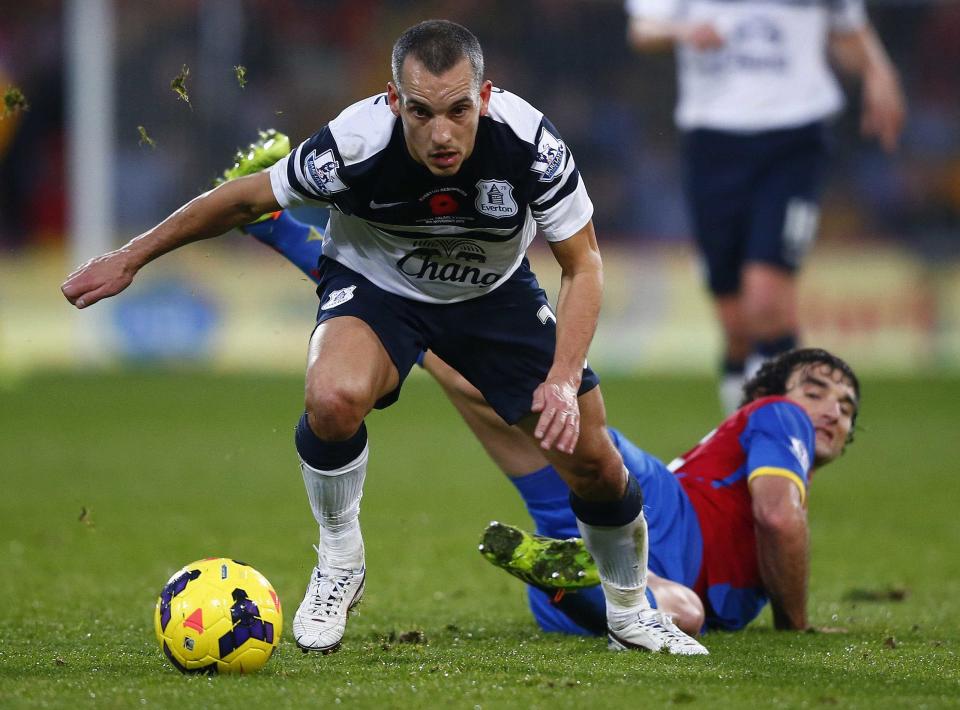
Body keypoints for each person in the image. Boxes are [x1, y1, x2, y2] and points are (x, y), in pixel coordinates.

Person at [61, 21, 706, 655]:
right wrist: (131, 256)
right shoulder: (355, 141)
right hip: (378, 288)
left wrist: (563, 379)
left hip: (492, 299)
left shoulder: (531, 144)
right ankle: (340, 561)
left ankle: (629, 612)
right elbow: (244, 198)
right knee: (332, 397)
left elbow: (583, 263)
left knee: (595, 461)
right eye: (422, 111)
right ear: (395, 101)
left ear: (484, 96)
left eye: (459, 109)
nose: (442, 132)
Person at [220, 133, 858, 638]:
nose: (830, 408)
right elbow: (778, 519)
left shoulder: (775, 449)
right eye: (816, 388)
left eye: (846, 405)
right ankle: (288, 232)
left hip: (575, 592)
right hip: (644, 509)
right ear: (776, 392)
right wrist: (795, 627)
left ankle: (562, 577)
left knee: (453, 367)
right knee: (461, 372)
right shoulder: (779, 418)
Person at [625, 0, 904, 413]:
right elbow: (643, 30)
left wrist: (879, 72)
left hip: (794, 140)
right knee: (736, 324)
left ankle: (782, 446)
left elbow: (849, 28)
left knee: (767, 304)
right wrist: (683, 33)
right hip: (712, 143)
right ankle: (742, 441)